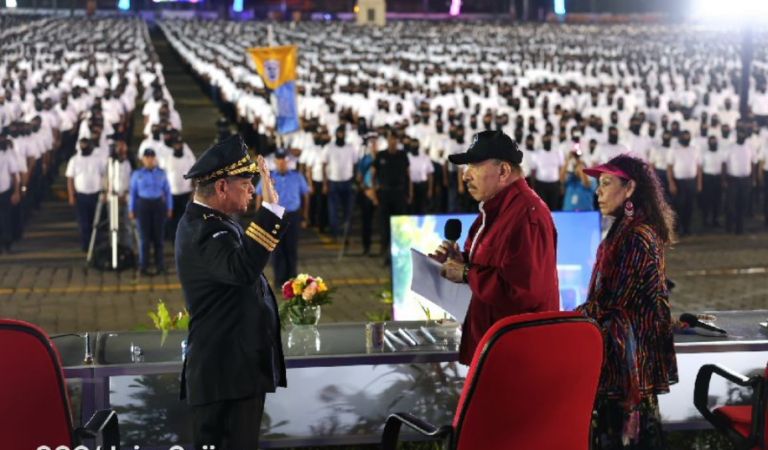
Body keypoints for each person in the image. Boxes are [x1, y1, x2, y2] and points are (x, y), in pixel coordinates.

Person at [175, 134, 287, 450]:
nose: (252, 189)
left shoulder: (213, 222)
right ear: (222, 187)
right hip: (225, 376)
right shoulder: (205, 230)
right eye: (245, 182)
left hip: (232, 373)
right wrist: (270, 212)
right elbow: (241, 270)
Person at [429, 130, 559, 365]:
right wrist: (462, 261)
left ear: (503, 171)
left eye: (474, 166)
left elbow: (524, 291)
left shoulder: (526, 215)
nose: (466, 176)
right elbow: (497, 266)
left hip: (517, 358)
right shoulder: (494, 211)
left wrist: (467, 274)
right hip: (494, 351)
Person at [579, 154, 678, 449]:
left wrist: (572, 319)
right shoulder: (623, 229)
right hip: (618, 364)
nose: (598, 191)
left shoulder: (638, 235)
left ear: (631, 187)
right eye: (599, 184)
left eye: (606, 183)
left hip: (629, 370)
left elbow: (615, 301)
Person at [255, 151, 309, 286]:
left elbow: (305, 196)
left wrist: (304, 216)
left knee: (291, 248)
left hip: (292, 215)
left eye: (284, 160)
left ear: (287, 161)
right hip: (274, 216)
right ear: (275, 161)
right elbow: (259, 196)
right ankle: (279, 280)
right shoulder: (268, 177)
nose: (281, 163)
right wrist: (260, 218)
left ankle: (292, 280)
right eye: (278, 160)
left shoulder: (297, 177)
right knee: (276, 250)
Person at [129, 149, 172, 275]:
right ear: (142, 159)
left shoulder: (161, 173)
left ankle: (160, 264)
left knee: (158, 237)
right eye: (147, 157)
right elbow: (132, 193)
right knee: (144, 238)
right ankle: (143, 265)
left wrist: (169, 207)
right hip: (143, 205)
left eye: (152, 157)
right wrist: (131, 209)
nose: (149, 160)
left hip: (158, 204)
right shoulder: (137, 174)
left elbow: (168, 191)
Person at [371, 131, 411, 265]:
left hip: (399, 193)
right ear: (387, 141)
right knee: (384, 226)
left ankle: (399, 254)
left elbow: (408, 175)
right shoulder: (381, 155)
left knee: (399, 225)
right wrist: (374, 194)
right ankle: (385, 254)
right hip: (384, 194)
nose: (392, 142)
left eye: (395, 139)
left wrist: (409, 193)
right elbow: (372, 175)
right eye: (390, 139)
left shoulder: (402, 155)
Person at [66, 138, 106, 252]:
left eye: (86, 144)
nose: (84, 146)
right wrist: (71, 195)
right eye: (82, 144)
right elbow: (70, 179)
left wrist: (106, 192)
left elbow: (105, 176)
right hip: (81, 195)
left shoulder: (98, 159)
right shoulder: (74, 160)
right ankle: (86, 244)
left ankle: (97, 244)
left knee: (96, 221)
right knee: (83, 222)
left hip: (96, 194)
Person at [322, 125, 358, 240]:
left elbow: (355, 163)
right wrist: (324, 183)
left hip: (348, 181)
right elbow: (324, 165)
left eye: (342, 133)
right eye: (339, 133)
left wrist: (355, 179)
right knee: (333, 209)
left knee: (348, 209)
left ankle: (346, 233)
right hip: (333, 182)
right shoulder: (328, 147)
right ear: (336, 134)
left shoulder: (350, 147)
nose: (341, 135)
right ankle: (335, 233)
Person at [666, 130, 701, 236]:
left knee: (689, 207)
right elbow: (669, 168)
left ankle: (687, 228)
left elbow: (699, 168)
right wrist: (671, 183)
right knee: (677, 207)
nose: (686, 139)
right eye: (685, 137)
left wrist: (699, 184)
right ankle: (676, 229)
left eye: (688, 137)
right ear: (680, 138)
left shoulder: (694, 150)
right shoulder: (674, 150)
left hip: (691, 182)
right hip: (678, 182)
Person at [722, 130, 757, 235]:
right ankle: (729, 226)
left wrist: (753, 179)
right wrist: (723, 180)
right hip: (733, 180)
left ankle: (739, 228)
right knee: (731, 205)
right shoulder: (730, 148)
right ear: (737, 136)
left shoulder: (749, 148)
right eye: (740, 134)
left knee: (742, 204)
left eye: (743, 134)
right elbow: (724, 164)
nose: (741, 136)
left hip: (745, 180)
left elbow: (752, 163)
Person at [162, 137, 196, 241]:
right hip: (171, 194)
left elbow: (195, 175)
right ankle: (172, 239)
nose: (178, 146)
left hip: (186, 193)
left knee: (184, 218)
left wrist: (194, 191)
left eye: (179, 144)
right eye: (176, 144)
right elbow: (163, 176)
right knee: (171, 218)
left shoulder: (188, 158)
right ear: (173, 146)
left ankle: (184, 239)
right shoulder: (167, 158)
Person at [0, 136, 21, 254]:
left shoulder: (7, 156)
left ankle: (6, 244)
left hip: (4, 192)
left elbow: (14, 176)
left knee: (5, 220)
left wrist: (17, 192)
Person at [699, 135, 724, 227]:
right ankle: (705, 220)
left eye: (714, 141)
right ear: (709, 143)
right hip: (707, 179)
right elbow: (700, 169)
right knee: (707, 201)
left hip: (717, 179)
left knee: (717, 201)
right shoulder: (704, 154)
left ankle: (715, 220)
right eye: (711, 141)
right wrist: (700, 183)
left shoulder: (720, 153)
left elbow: (722, 167)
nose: (713, 143)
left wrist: (722, 180)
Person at [407, 137, 433, 215]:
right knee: (411, 208)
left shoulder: (425, 157)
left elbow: (430, 174)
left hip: (422, 186)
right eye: (413, 144)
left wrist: (430, 189)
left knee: (423, 208)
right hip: (410, 186)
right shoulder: (406, 157)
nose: (414, 146)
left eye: (416, 144)